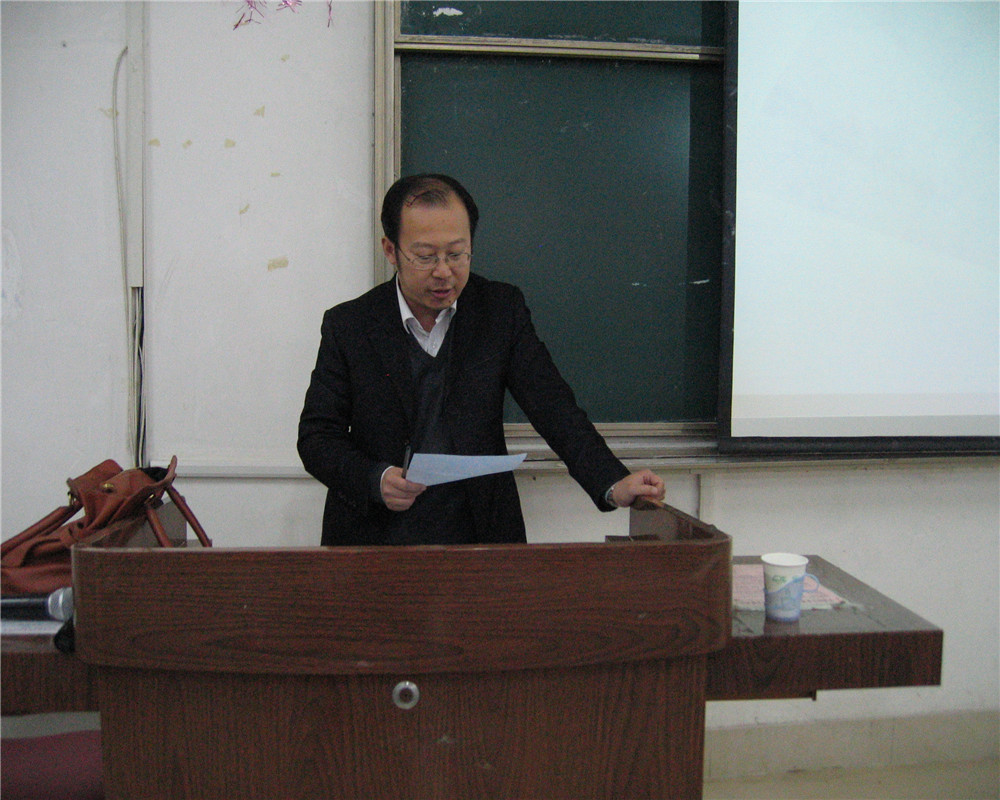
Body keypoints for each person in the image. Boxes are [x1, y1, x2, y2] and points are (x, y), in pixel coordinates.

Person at [298, 174, 664, 546]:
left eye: (457, 254)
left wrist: (612, 481)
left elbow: (553, 406)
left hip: (480, 532)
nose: (444, 271)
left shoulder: (499, 311)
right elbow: (317, 438)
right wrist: (375, 479)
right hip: (375, 536)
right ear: (391, 251)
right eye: (425, 257)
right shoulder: (350, 325)